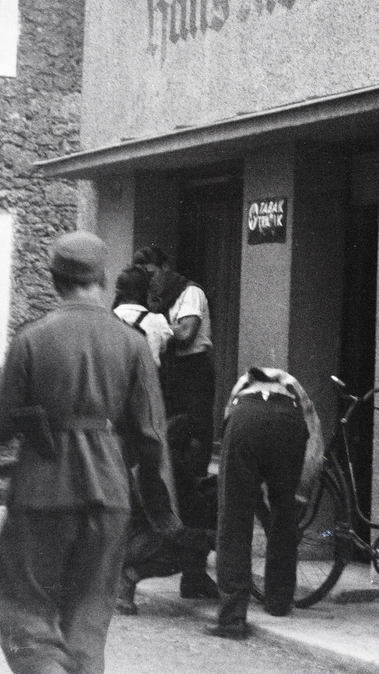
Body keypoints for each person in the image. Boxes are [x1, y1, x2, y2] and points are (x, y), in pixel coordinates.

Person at [0, 232, 178, 674]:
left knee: (22, 599)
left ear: (54, 278)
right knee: (91, 606)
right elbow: (151, 434)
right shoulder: (132, 342)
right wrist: (161, 512)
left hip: (41, 490)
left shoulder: (32, 338)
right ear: (102, 279)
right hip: (109, 492)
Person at [208, 367, 324, 639]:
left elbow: (227, 424)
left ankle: (232, 619)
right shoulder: (297, 390)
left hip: (244, 420)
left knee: (234, 522)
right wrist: (302, 493)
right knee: (285, 517)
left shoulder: (240, 388)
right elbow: (315, 445)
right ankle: (279, 602)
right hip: (288, 424)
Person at [136, 246, 220, 599]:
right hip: (172, 378)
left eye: (152, 270)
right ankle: (185, 563)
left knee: (193, 469)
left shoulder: (189, 292)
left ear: (166, 268)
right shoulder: (155, 300)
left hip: (193, 378)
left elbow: (185, 334)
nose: (149, 278)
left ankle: (194, 573)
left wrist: (156, 327)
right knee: (170, 471)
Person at [111, 266, 171, 367]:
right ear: (146, 291)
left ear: (118, 291)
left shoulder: (110, 319)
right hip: (149, 379)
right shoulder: (158, 321)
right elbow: (162, 349)